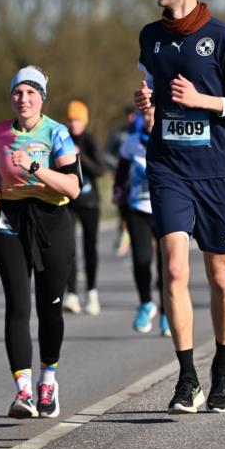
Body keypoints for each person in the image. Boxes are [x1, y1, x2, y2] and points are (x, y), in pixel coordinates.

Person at [134, 0, 225, 415]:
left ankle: (222, 363)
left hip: (216, 169)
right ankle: (186, 377)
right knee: (172, 267)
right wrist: (146, 105)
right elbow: (147, 83)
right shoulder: (149, 36)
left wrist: (204, 101)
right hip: (168, 166)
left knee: (220, 275)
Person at [0, 66, 80, 419]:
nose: (23, 99)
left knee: (49, 307)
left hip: (51, 221)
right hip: (11, 219)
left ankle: (47, 382)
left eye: (30, 93)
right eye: (17, 93)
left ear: (42, 98)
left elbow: (73, 187)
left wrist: (37, 167)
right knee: (17, 305)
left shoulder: (57, 133)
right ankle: (23, 391)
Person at [113, 106, 170, 336]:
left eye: (155, 113)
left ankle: (167, 312)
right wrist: (117, 189)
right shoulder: (131, 141)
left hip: (166, 209)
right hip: (138, 208)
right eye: (146, 114)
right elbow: (121, 170)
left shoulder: (171, 136)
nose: (150, 118)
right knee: (141, 260)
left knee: (166, 265)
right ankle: (146, 303)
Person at [63, 100, 105, 316]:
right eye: (70, 119)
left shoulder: (90, 140)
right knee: (68, 246)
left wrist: (80, 155)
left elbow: (100, 170)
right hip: (68, 202)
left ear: (84, 120)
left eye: (77, 119)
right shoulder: (62, 139)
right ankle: (70, 294)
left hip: (90, 202)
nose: (73, 124)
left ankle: (92, 293)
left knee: (90, 248)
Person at [105, 104, 139, 256]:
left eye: (134, 115)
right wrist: (118, 165)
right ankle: (124, 235)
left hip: (141, 180)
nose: (131, 118)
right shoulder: (119, 135)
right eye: (128, 115)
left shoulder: (146, 131)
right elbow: (106, 154)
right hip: (124, 180)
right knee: (124, 211)